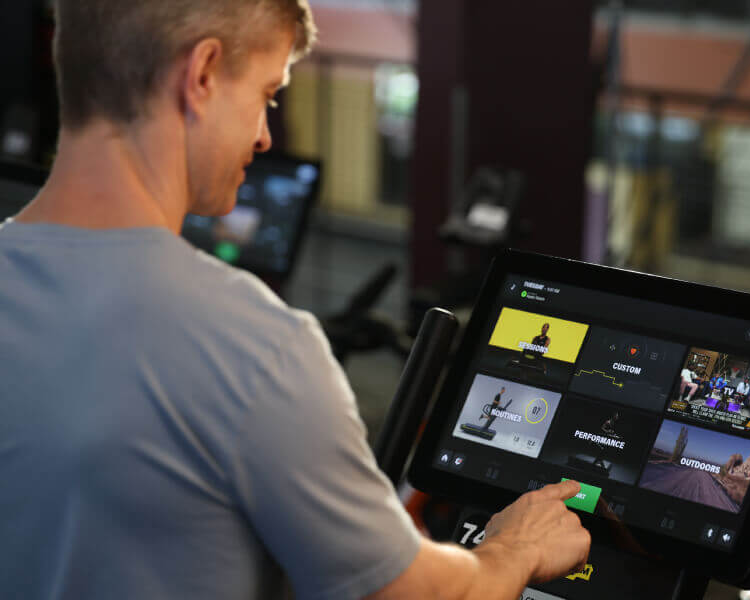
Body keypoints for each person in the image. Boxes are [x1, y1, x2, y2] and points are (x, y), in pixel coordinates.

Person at [0, 2, 592, 599]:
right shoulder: (256, 347)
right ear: (202, 74)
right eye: (266, 94)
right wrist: (515, 548)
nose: (263, 135)